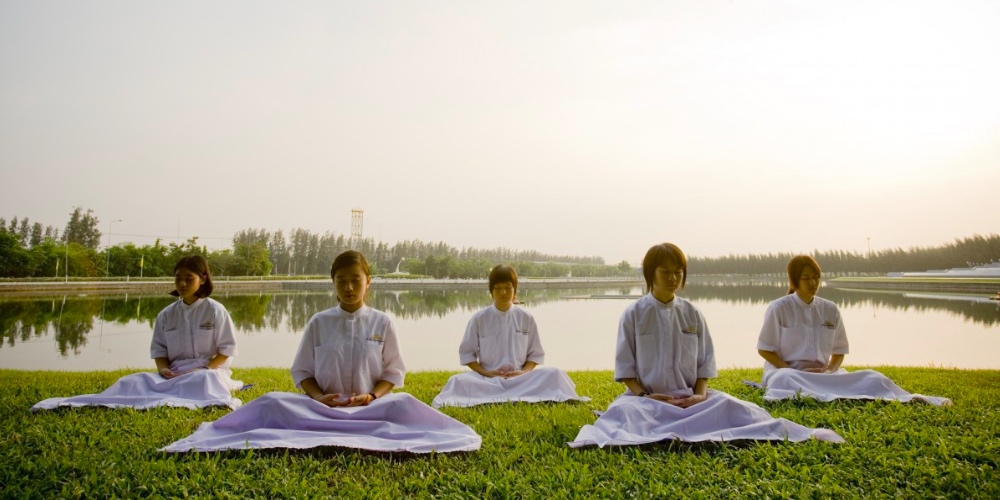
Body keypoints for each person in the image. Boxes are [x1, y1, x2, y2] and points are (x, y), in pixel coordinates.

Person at [161, 251, 481, 454]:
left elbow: (393, 375)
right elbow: (303, 373)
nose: (349, 287)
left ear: (368, 282)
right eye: (341, 281)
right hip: (322, 409)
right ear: (333, 283)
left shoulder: (382, 322)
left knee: (406, 402)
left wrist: (370, 397)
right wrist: (317, 399)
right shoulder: (319, 321)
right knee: (273, 400)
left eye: (355, 280)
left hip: (369, 409)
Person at [570, 243, 842, 447]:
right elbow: (626, 369)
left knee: (735, 406)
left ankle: (800, 432)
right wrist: (644, 396)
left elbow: (705, 364)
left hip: (693, 401)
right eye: (665, 271)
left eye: (678, 272)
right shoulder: (634, 314)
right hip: (649, 402)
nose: (673, 278)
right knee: (623, 411)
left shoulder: (693, 314)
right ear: (650, 274)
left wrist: (699, 396)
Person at [33, 255, 242, 411]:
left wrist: (203, 369)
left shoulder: (215, 310)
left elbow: (227, 349)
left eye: (189, 278)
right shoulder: (166, 315)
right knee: (132, 381)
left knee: (204, 382)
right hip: (175, 373)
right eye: (178, 278)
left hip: (207, 372)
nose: (182, 284)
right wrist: (164, 370)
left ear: (203, 279)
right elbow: (159, 351)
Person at [755, 255, 951, 405]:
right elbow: (765, 349)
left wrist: (830, 370)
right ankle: (812, 385)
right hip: (790, 372)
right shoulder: (778, 308)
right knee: (783, 380)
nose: (813, 283)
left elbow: (839, 351)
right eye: (806, 278)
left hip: (824, 375)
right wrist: (790, 368)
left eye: (816, 277)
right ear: (794, 281)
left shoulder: (829, 309)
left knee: (872, 377)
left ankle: (909, 398)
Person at [431, 265, 588, 408]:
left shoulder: (526, 317)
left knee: (556, 373)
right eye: (498, 288)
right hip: (488, 381)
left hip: (521, 379)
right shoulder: (479, 318)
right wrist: (487, 373)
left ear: (515, 290)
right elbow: (467, 354)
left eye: (508, 287)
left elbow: (535, 354)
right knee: (456, 381)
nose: (503, 293)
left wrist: (524, 373)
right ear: (491, 291)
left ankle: (516, 392)